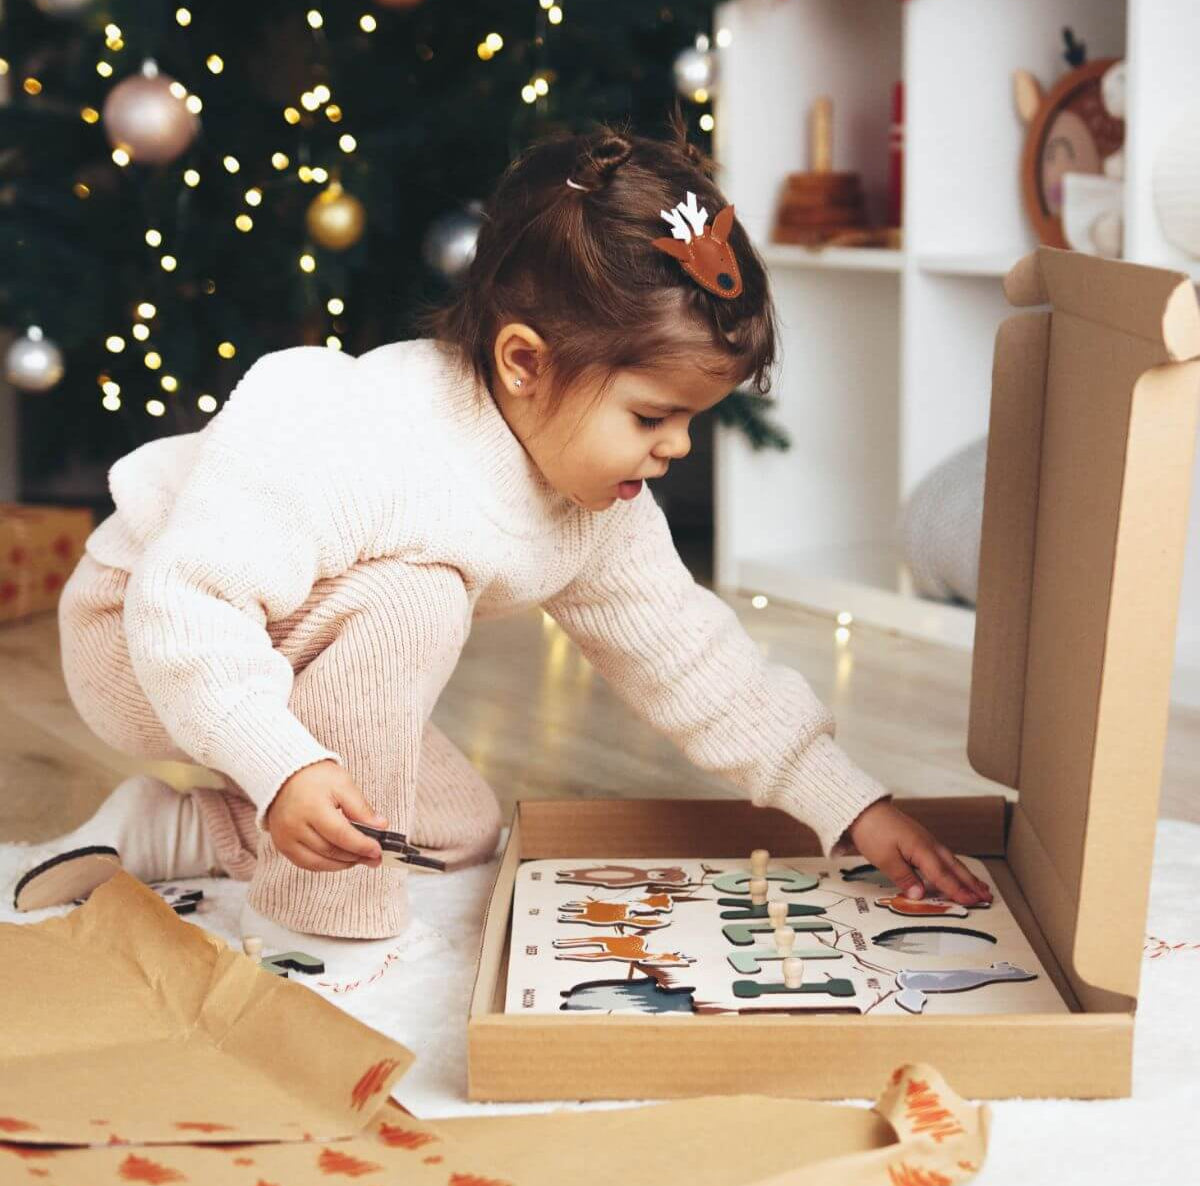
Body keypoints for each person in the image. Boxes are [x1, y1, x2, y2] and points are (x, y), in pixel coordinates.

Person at [17, 113, 991, 957]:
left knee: (449, 830)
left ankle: (170, 830)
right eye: (652, 417)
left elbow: (693, 660)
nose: (675, 448)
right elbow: (190, 602)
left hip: (272, 641)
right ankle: (319, 930)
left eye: (693, 421)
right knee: (416, 598)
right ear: (524, 360)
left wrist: (849, 803)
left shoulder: (597, 507)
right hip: (148, 632)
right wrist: (286, 762)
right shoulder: (365, 434)